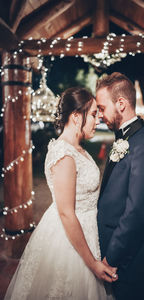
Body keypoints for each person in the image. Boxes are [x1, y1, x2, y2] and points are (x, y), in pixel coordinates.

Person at [4, 87, 117, 300]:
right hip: (70, 238)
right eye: (93, 114)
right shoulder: (64, 155)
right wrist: (92, 264)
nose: (98, 120)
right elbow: (66, 212)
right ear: (76, 117)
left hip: (88, 230)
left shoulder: (78, 149)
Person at [96, 72, 144, 300]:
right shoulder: (123, 139)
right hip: (112, 249)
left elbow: (137, 212)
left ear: (121, 104)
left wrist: (112, 258)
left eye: (102, 107)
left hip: (127, 259)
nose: (100, 115)